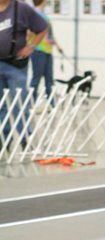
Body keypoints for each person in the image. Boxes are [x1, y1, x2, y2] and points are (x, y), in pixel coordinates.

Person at [0, 0, 47, 149]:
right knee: (2, 105)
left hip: (15, 64)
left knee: (19, 103)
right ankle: (3, 138)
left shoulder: (21, 8)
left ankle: (25, 138)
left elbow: (42, 28)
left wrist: (31, 46)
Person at [30, 0, 63, 105]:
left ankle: (52, 104)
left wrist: (58, 46)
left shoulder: (45, 16)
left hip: (48, 51)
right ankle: (30, 103)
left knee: (49, 79)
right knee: (36, 78)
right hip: (38, 51)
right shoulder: (34, 14)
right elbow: (31, 32)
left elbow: (50, 34)